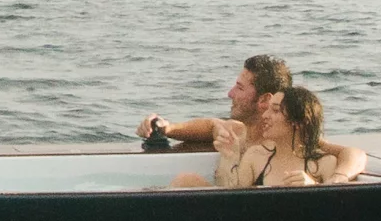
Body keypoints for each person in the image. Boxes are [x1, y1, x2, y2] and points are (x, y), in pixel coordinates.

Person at [139, 54, 368, 187]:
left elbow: (355, 154)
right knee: (185, 181)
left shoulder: (304, 143)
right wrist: (167, 127)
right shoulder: (238, 132)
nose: (230, 94)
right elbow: (211, 125)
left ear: (265, 100)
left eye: (239, 87)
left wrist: (333, 181)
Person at [267, 86, 362, 185]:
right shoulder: (254, 156)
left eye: (275, 110)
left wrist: (337, 178)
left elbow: (355, 154)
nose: (265, 115)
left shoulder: (321, 157)